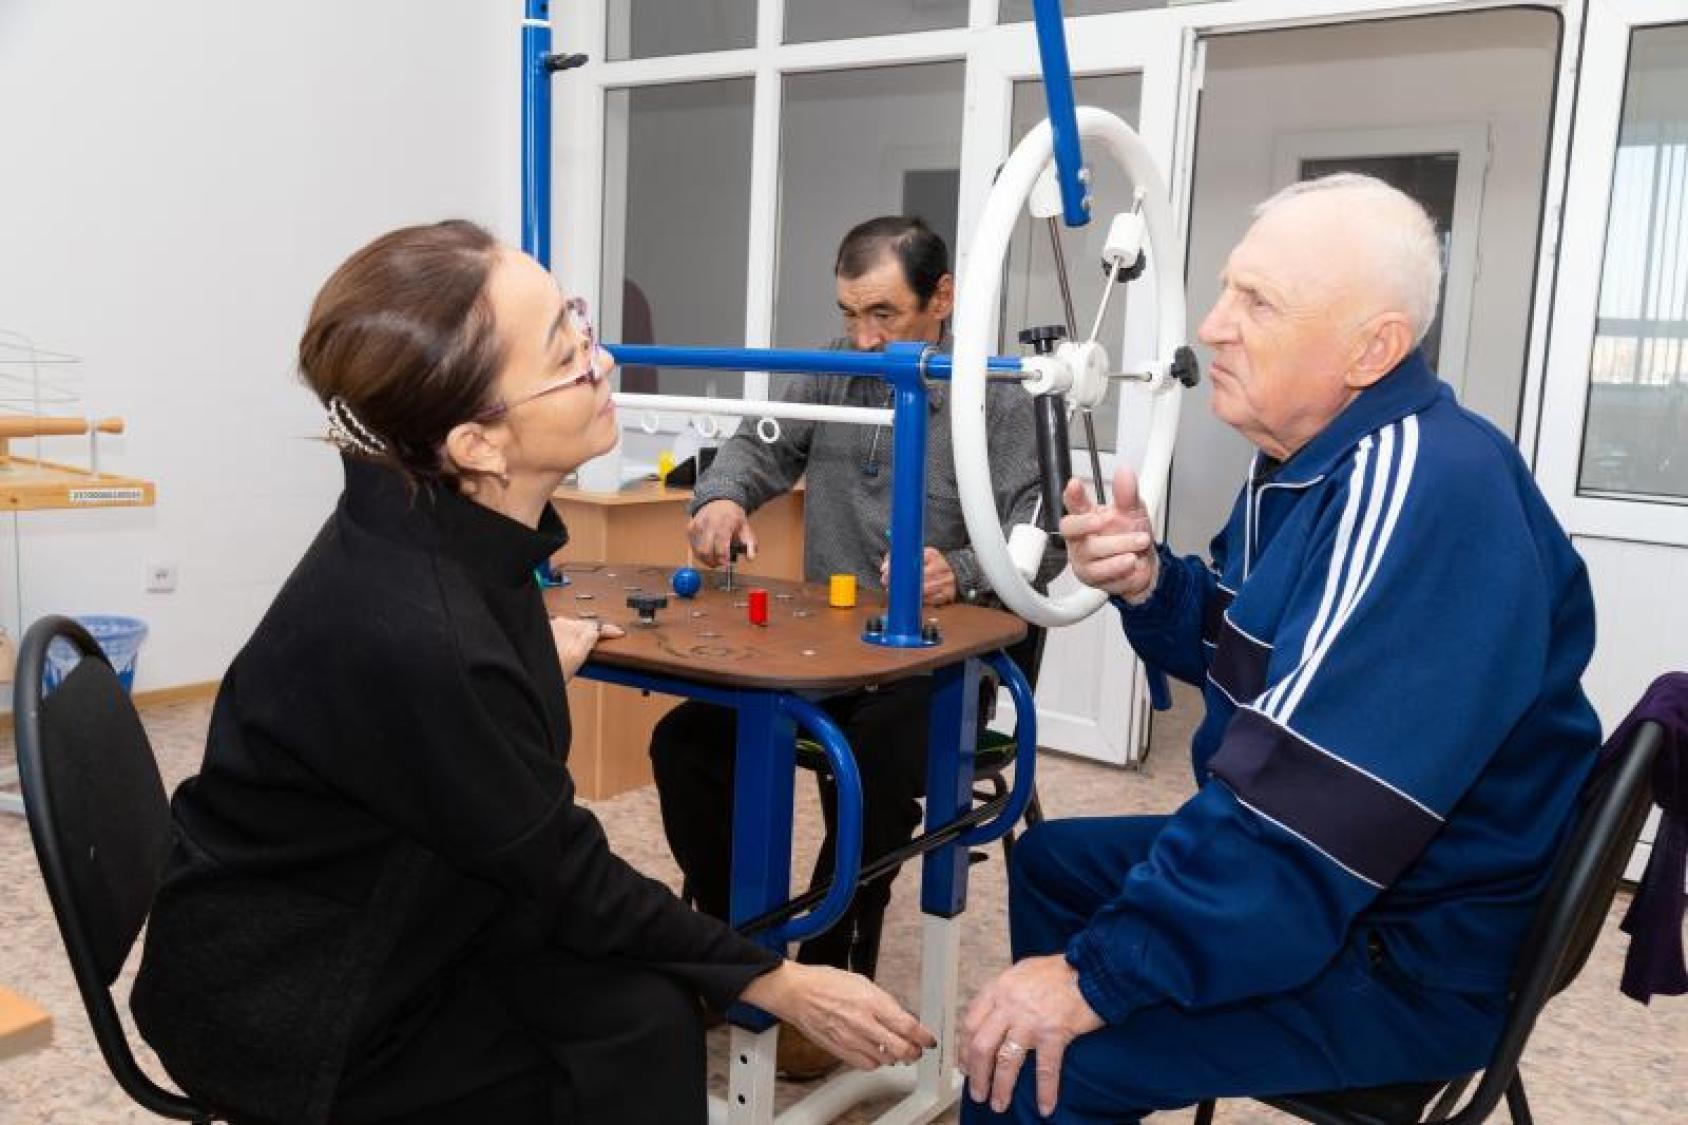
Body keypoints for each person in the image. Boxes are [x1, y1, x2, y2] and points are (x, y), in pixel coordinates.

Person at [129, 220, 934, 1125]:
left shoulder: (426, 521)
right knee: (631, 1034)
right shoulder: (424, 628)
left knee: (640, 1017)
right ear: (477, 444)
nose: (601, 360)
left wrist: (522, 662)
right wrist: (779, 979)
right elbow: (566, 873)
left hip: (384, 910)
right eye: (567, 351)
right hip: (299, 1000)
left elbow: (463, 774)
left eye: (578, 322)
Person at [956, 174, 1603, 1123]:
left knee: (1025, 1066)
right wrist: (1148, 583)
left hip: (1407, 951)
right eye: (1226, 290)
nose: (1212, 326)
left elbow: (1304, 814)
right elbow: (1257, 649)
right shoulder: (1311, 464)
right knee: (1053, 862)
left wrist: (1092, 980)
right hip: (1383, 886)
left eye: (1257, 302)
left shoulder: (1423, 493)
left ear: (1371, 348)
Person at [650, 215, 1062, 1079]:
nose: (866, 338)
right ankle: (744, 956)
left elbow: (1045, 529)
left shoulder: (1005, 395)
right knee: (685, 741)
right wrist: (720, 500)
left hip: (944, 660)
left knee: (869, 769)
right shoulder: (834, 365)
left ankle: (835, 971)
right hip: (831, 650)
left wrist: (955, 568)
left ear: (942, 299)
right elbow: (755, 450)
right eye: (850, 315)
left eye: (885, 314)